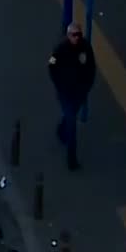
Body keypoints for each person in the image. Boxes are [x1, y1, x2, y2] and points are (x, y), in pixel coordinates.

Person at [46, 22, 96, 170]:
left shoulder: (85, 47)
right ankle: (71, 159)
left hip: (79, 92)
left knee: (70, 116)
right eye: (74, 35)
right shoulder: (60, 49)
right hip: (65, 92)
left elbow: (91, 66)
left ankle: (61, 130)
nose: (77, 37)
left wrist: (87, 86)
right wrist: (58, 84)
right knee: (72, 123)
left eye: (79, 34)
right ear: (68, 35)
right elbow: (51, 64)